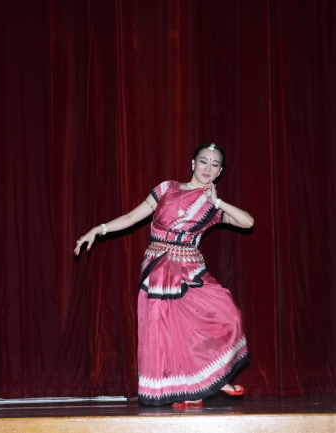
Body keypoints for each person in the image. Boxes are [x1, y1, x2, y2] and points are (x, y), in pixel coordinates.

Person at [74, 142, 254, 408]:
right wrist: (97, 230)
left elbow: (247, 222)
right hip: (159, 268)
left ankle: (212, 379)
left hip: (190, 269)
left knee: (229, 314)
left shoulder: (213, 208)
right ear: (193, 163)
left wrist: (217, 200)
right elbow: (133, 216)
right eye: (203, 161)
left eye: (214, 165)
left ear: (220, 172)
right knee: (167, 332)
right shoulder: (166, 189)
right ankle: (186, 392)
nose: (208, 168)